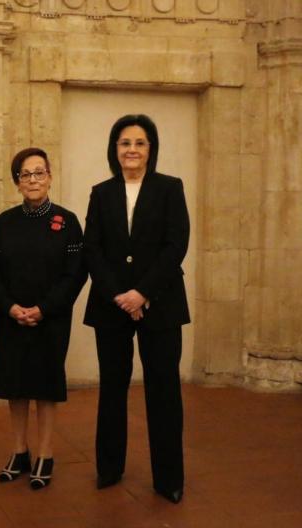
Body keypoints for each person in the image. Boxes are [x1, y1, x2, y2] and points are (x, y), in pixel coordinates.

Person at [83, 114, 190, 504]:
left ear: (151, 149)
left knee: (163, 391)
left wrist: (142, 293)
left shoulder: (169, 188)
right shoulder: (101, 192)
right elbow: (92, 248)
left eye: (140, 143)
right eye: (124, 142)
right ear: (115, 150)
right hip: (112, 306)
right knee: (112, 388)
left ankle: (169, 479)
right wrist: (120, 295)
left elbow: (176, 245)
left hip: (160, 305)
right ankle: (109, 469)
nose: (132, 149)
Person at [0, 148, 86, 490]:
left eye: (39, 173)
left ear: (50, 177)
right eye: (26, 174)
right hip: (11, 318)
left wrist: (44, 308)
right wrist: (10, 307)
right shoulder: (5, 222)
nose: (33, 180)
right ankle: (18, 451)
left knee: (45, 386)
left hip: (50, 319)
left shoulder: (67, 222)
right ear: (17, 182)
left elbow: (75, 274)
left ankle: (45, 454)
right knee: (15, 385)